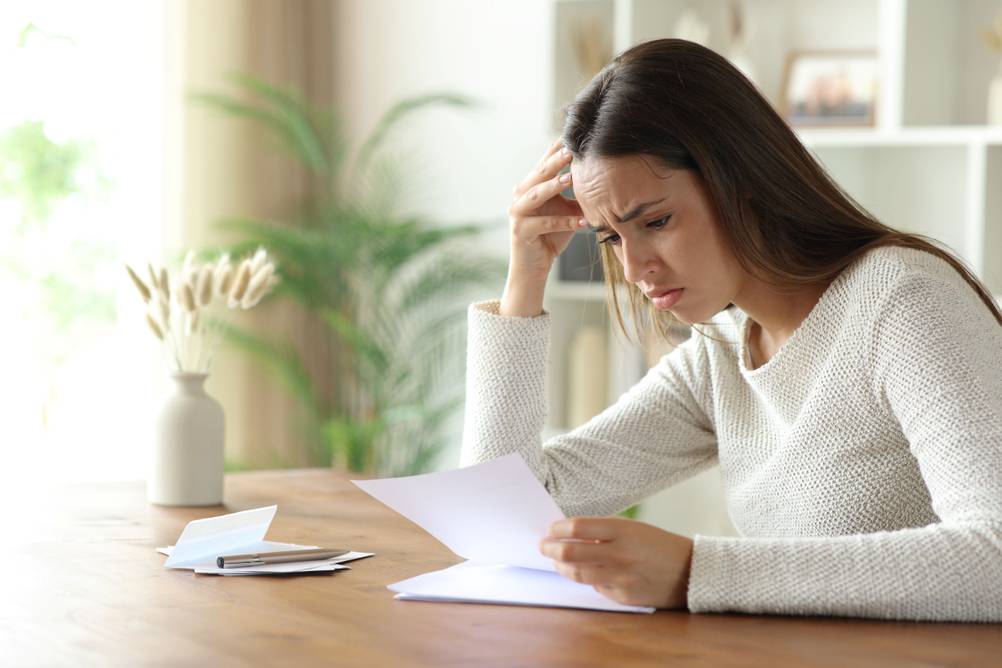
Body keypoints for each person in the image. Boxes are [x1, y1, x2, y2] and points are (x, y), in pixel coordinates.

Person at [458, 39, 1002, 622]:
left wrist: (696, 571)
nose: (636, 267)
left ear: (741, 180)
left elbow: (994, 553)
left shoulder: (902, 301)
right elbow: (508, 512)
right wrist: (524, 283)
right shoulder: (720, 350)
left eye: (657, 221)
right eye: (611, 239)